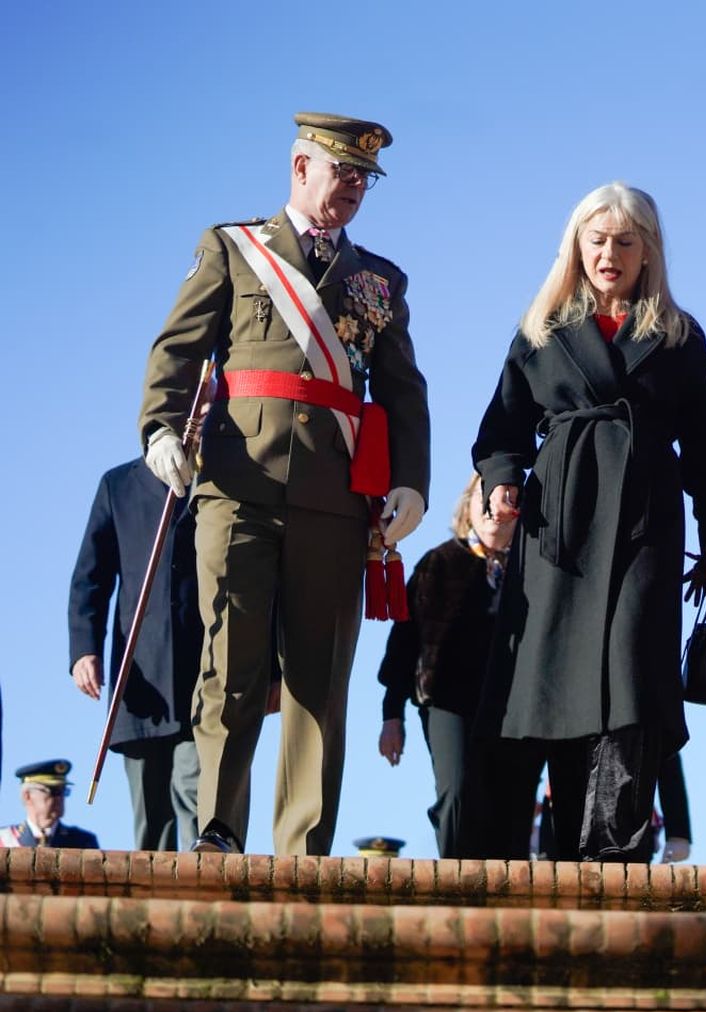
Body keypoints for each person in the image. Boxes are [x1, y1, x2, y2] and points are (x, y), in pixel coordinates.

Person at [138, 112, 430, 856]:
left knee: (319, 681)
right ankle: (218, 830)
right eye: (345, 172)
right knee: (230, 666)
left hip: (336, 503)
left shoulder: (379, 279)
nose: (356, 188)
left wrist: (413, 485)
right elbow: (177, 349)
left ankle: (302, 848)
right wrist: (160, 430)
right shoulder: (233, 250)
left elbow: (403, 390)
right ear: (301, 169)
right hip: (237, 486)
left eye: (366, 178)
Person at [473, 182, 706, 864]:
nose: (609, 254)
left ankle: (616, 847)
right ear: (577, 248)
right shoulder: (541, 329)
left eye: (625, 241)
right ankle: (568, 849)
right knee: (560, 685)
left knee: (634, 670)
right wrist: (504, 486)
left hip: (646, 522)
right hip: (558, 525)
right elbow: (502, 430)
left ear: (648, 249)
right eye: (597, 241)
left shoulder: (679, 336)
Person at [377, 473, 513, 859]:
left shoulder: (530, 573)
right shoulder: (438, 563)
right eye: (480, 499)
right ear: (468, 505)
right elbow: (403, 645)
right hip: (446, 701)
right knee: (456, 791)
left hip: (510, 708)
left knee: (502, 803)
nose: (492, 512)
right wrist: (392, 715)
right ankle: (456, 884)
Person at [68, 459, 202, 850]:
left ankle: (204, 906)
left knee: (198, 800)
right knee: (152, 825)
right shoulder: (118, 485)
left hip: (204, 679)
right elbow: (89, 578)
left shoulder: (219, 478)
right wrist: (84, 649)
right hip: (140, 683)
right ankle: (155, 910)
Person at [0, 761, 99, 848]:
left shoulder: (83, 842)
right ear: (27, 796)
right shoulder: (4, 840)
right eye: (53, 791)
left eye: (63, 791)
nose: (59, 797)